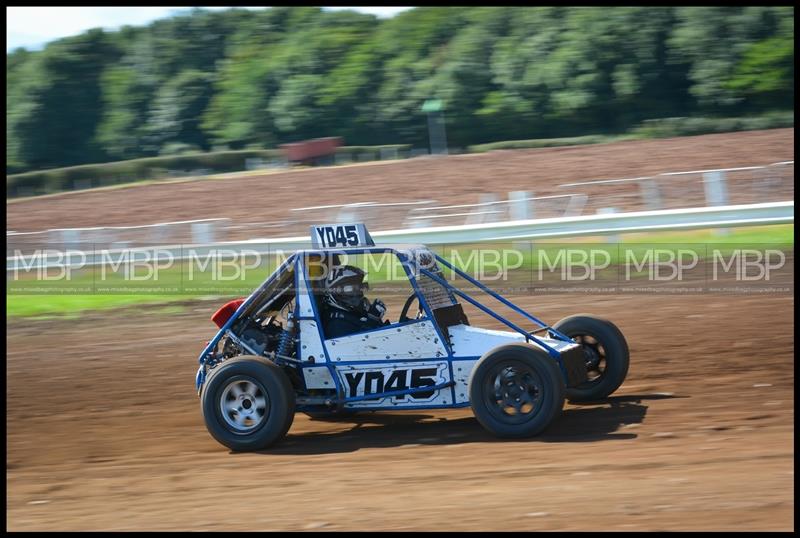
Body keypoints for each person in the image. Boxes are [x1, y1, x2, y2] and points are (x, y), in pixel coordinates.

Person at [321, 265, 388, 338]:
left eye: (359, 287)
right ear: (334, 292)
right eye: (350, 289)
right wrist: (373, 319)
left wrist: (373, 318)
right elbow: (361, 346)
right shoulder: (336, 323)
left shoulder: (351, 313)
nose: (357, 293)